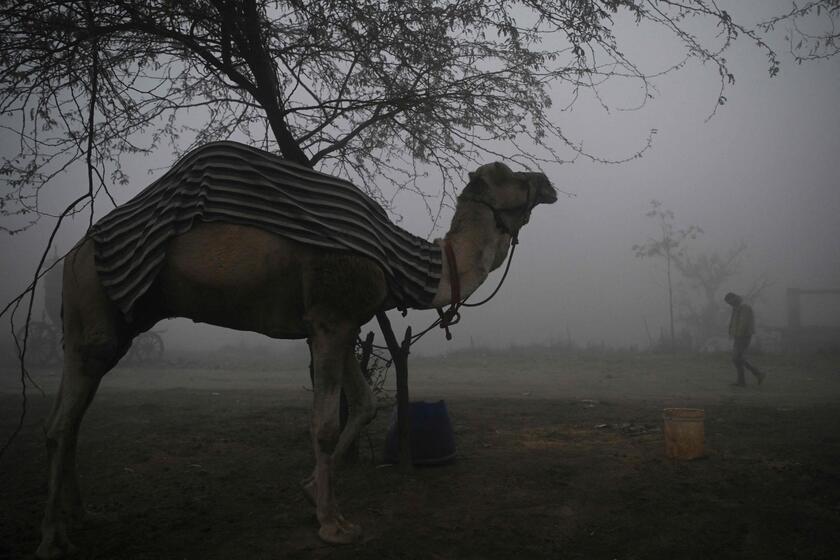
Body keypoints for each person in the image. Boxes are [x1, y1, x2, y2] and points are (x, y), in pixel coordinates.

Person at [724, 292, 766, 387]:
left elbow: (743, 323)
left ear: (734, 300)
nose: (729, 304)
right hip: (738, 336)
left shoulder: (744, 308)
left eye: (729, 302)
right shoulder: (736, 309)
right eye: (728, 303)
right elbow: (733, 322)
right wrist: (731, 332)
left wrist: (737, 334)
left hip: (743, 336)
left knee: (736, 358)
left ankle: (757, 374)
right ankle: (745, 379)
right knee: (737, 359)